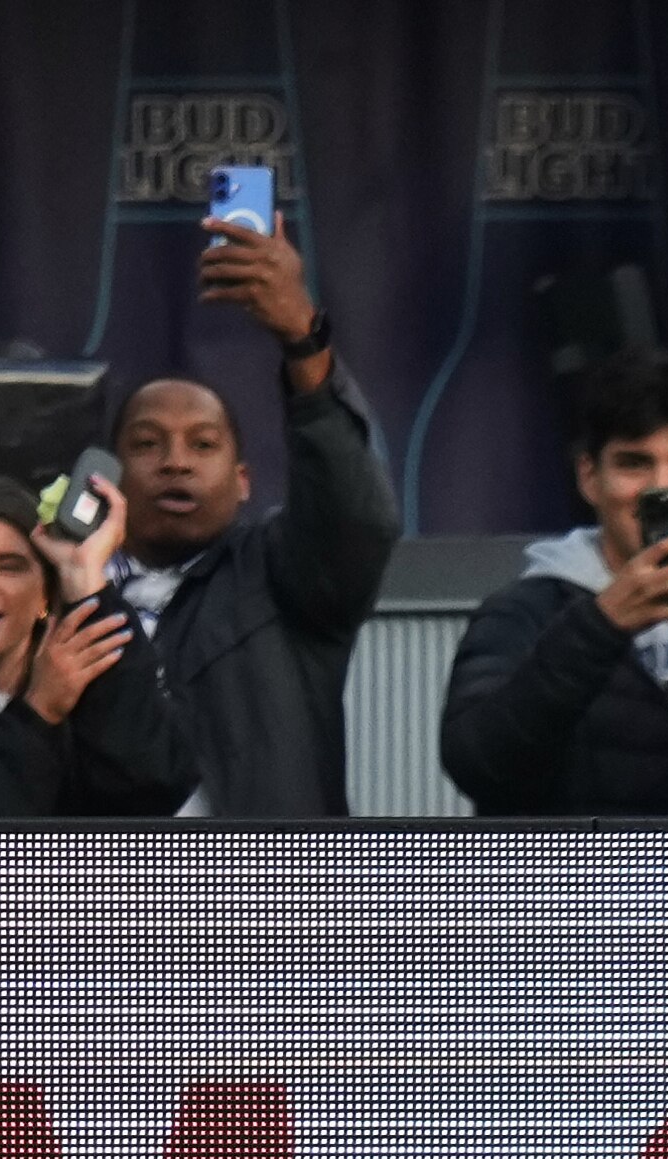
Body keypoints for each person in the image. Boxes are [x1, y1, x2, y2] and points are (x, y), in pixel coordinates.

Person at [110, 212, 399, 816]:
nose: (175, 463)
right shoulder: (62, 592)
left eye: (203, 444)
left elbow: (356, 520)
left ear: (244, 482)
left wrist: (303, 338)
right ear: (108, 476)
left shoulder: (278, 576)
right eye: (146, 443)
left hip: (266, 897)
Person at [439, 350, 668, 816]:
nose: (659, 488)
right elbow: (478, 762)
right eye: (634, 463)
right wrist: (602, 623)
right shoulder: (525, 610)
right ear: (589, 476)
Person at [0, 472, 195, 816]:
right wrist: (37, 713)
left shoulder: (98, 693)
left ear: (45, 592)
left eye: (8, 567)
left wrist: (83, 581)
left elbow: (151, 791)